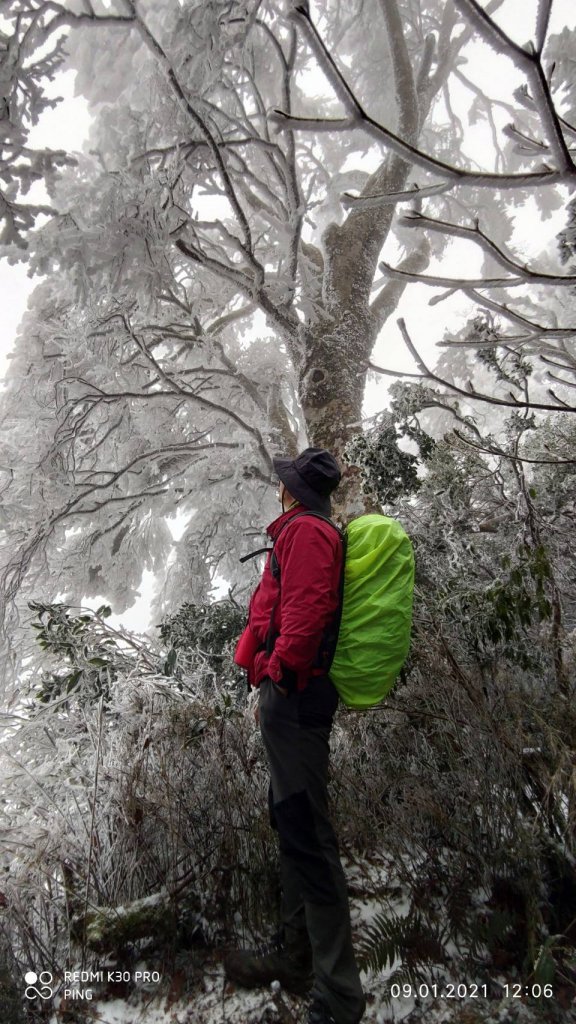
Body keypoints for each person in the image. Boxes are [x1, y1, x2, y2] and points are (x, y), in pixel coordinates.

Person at [226, 448, 366, 1024]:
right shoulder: (303, 529)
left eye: (284, 482)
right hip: (291, 695)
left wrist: (278, 676)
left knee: (308, 832)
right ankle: (295, 954)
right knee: (291, 820)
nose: (278, 487)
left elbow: (306, 612)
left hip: (298, 696)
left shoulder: (306, 533)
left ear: (295, 491)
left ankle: (339, 995)